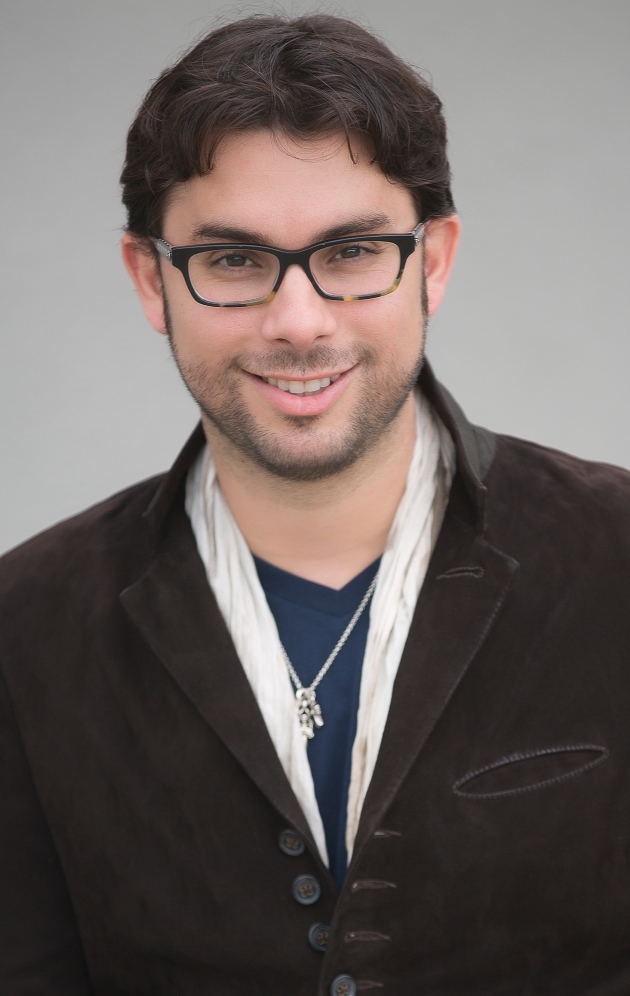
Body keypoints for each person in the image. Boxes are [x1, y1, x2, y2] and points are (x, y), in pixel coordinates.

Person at [1, 13, 630, 996]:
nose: (298, 323)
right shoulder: (22, 621)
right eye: (235, 261)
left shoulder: (618, 556)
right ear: (149, 280)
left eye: (350, 253)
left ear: (434, 261)